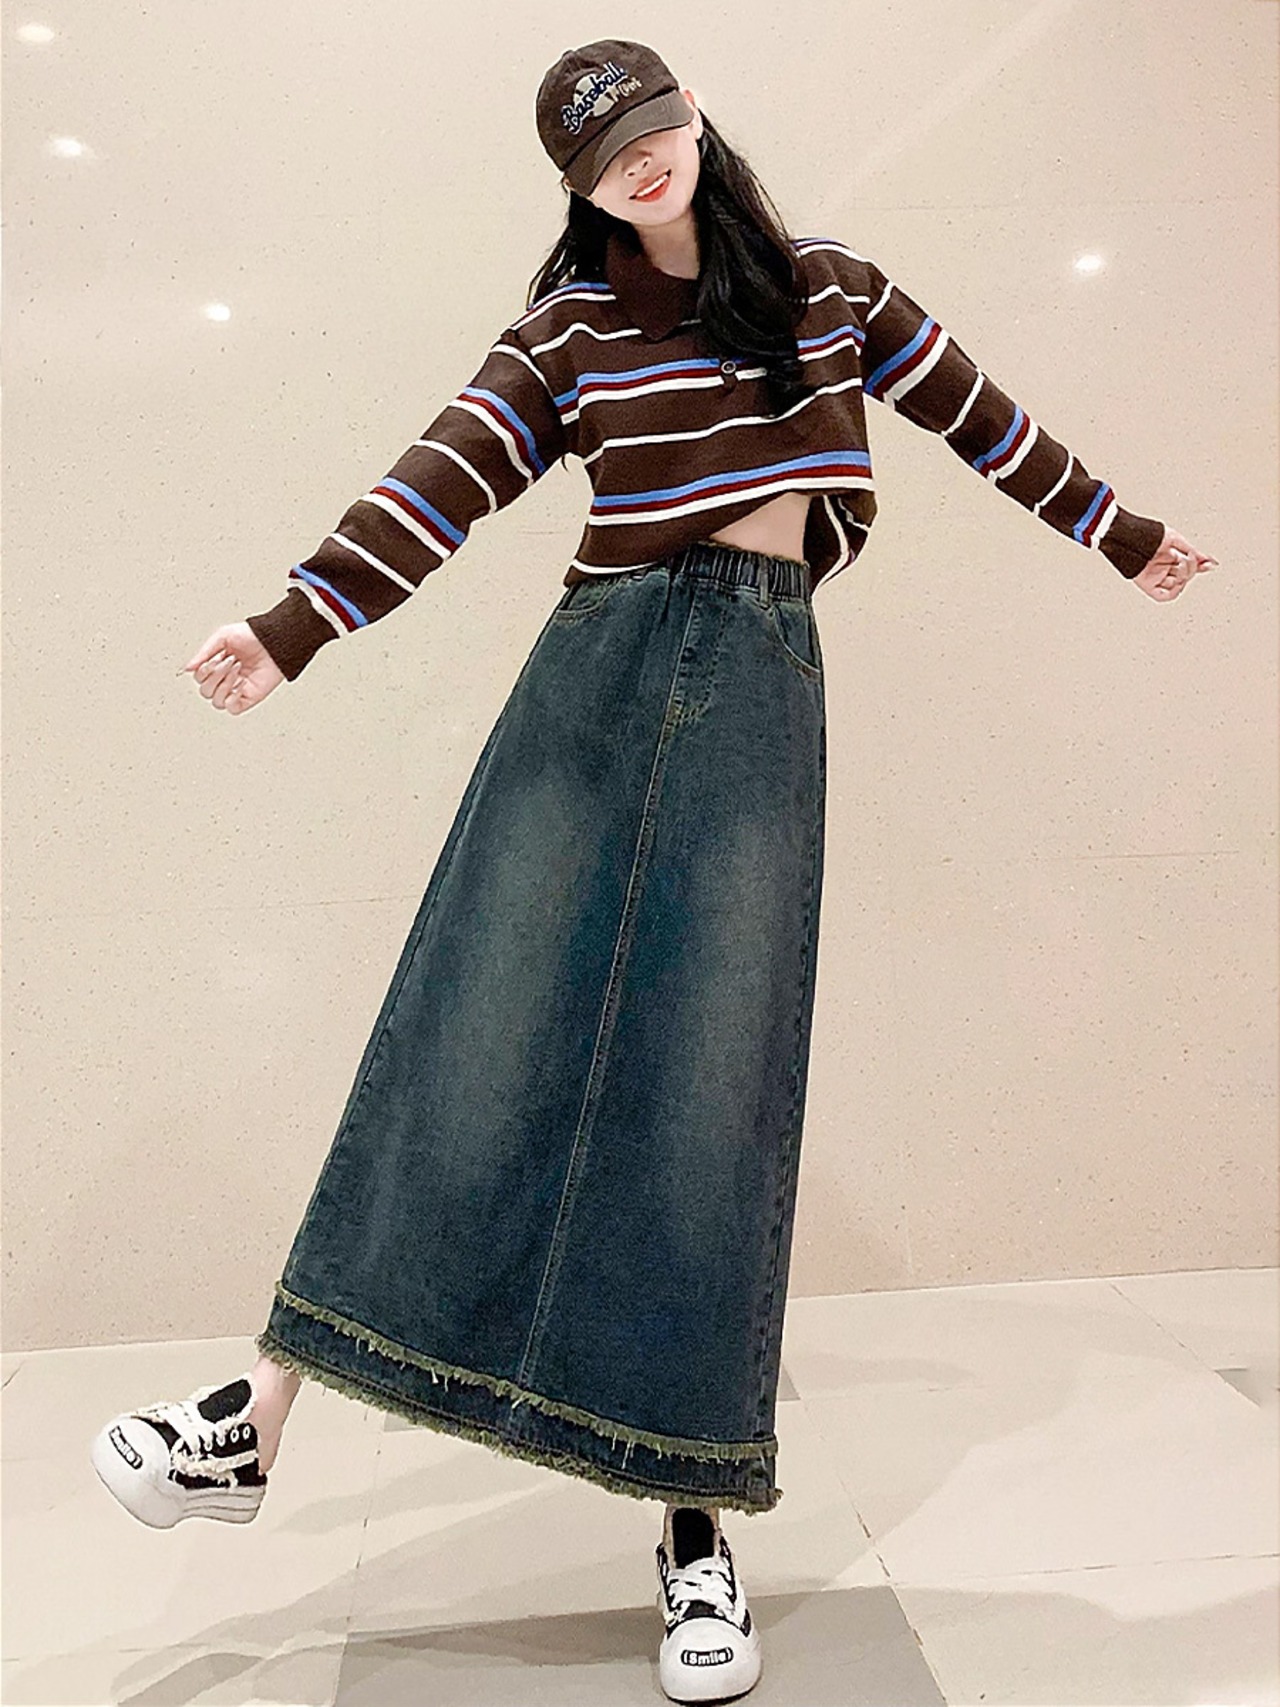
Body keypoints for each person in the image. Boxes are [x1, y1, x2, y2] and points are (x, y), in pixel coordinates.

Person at [90, 38, 1217, 1705]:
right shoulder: (566, 332)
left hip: (759, 687)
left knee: (709, 1096)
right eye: (600, 150)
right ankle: (252, 1418)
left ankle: (693, 1529)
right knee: (470, 1027)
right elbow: (441, 478)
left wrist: (1123, 535)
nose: (638, 159)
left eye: (650, 127)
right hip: (596, 681)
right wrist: (293, 622)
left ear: (693, 124)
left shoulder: (831, 290)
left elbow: (983, 418)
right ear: (578, 185)